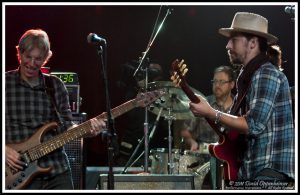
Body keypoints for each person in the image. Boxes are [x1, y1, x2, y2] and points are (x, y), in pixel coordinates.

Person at [189, 12, 295, 187]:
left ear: (252, 43)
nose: (227, 45)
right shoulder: (248, 77)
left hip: (270, 171)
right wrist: (207, 111)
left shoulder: (266, 73)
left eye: (234, 39)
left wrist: (210, 112)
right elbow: (234, 129)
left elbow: (253, 124)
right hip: (252, 169)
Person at [5, 29, 106, 190]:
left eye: (38, 59)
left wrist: (87, 130)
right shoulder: (5, 84)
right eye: (27, 57)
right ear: (19, 53)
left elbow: (67, 125)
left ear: (45, 59)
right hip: (18, 173)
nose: (32, 63)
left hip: (57, 170)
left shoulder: (55, 85)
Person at [180, 65, 235, 189]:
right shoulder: (204, 104)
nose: (217, 85)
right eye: (215, 81)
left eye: (222, 81)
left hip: (231, 160)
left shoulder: (238, 106)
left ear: (232, 84)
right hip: (204, 160)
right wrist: (192, 142)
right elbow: (185, 131)